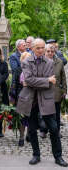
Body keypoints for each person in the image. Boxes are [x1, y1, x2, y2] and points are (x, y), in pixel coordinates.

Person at [16, 38, 68, 167]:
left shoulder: (49, 62)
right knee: (32, 129)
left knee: (54, 129)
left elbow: (38, 81)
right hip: (31, 100)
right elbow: (28, 79)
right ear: (32, 48)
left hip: (46, 98)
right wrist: (46, 80)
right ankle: (36, 155)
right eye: (38, 48)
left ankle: (58, 156)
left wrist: (36, 81)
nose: (41, 50)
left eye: (42, 48)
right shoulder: (26, 61)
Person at [40, 44, 67, 138]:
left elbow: (63, 76)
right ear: (44, 51)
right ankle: (43, 130)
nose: (50, 53)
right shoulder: (41, 61)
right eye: (48, 51)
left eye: (52, 51)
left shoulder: (59, 61)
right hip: (44, 90)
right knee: (45, 112)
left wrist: (64, 90)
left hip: (56, 91)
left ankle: (56, 131)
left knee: (56, 113)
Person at [10, 52, 31, 147]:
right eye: (25, 59)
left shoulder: (34, 70)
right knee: (21, 118)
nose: (27, 61)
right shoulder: (18, 70)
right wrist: (13, 97)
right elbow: (13, 83)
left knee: (30, 117)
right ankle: (21, 137)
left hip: (31, 97)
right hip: (20, 97)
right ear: (22, 60)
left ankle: (29, 134)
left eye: (29, 59)